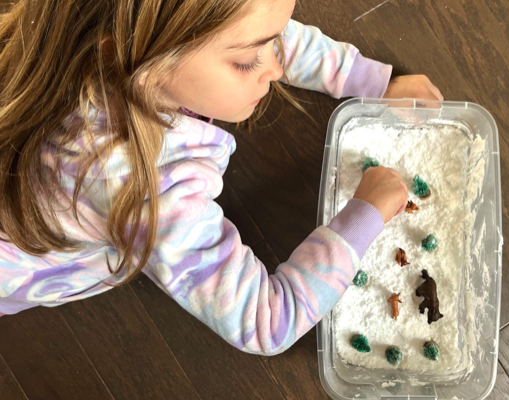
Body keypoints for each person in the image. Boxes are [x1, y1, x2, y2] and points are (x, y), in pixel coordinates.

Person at [0, 0, 443, 355]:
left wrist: (371, 81)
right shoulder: (149, 190)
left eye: (272, 45)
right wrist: (363, 216)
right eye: (249, 62)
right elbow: (268, 322)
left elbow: (261, 28)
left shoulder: (91, 29)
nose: (274, 67)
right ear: (141, 59)